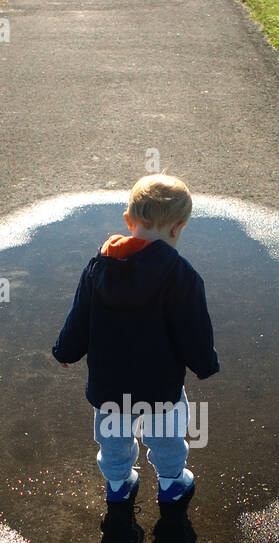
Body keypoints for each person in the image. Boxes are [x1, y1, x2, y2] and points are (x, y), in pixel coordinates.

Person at [52, 174, 219, 505]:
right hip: (159, 385)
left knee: (113, 438)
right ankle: (172, 483)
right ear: (177, 228)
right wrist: (203, 363)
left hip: (110, 383)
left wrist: (66, 351)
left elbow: (80, 317)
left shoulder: (98, 268)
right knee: (166, 435)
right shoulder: (181, 276)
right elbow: (193, 327)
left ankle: (118, 483)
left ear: (129, 221)